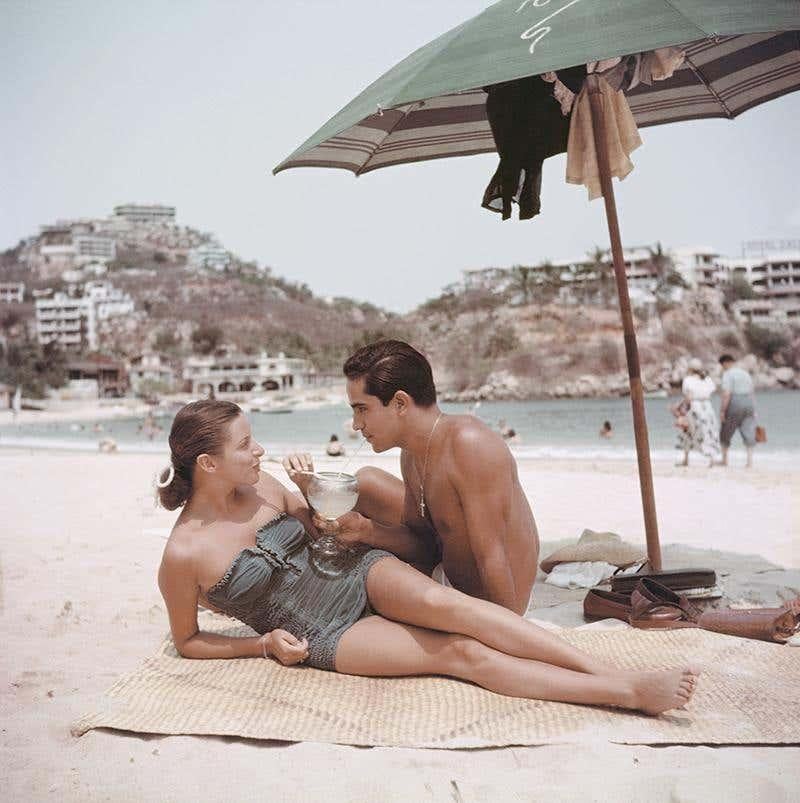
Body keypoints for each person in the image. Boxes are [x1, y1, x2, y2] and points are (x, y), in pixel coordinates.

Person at [156, 400, 699, 715]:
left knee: (461, 609)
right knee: (461, 654)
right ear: (207, 463)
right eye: (245, 444)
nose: (258, 451)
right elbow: (188, 641)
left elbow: (322, 530)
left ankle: (603, 667)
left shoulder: (266, 486)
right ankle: (623, 692)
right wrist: (261, 645)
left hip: (355, 573)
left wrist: (309, 489)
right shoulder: (181, 556)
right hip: (320, 630)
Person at [285, 340, 539, 616]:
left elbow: (493, 557)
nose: (357, 425)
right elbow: (425, 546)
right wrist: (364, 529)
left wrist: (509, 634)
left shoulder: (470, 444)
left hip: (492, 599)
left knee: (345, 589)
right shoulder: (412, 453)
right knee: (358, 484)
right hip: (446, 574)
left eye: (362, 409)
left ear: (400, 403)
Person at [674, 358, 721, 468]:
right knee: (709, 431)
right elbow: (711, 391)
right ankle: (712, 460)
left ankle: (686, 459)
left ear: (690, 369)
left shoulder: (688, 380)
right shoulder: (707, 379)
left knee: (688, 431)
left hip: (695, 407)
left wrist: (680, 407)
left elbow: (688, 397)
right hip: (707, 406)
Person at [718, 354, 757, 468]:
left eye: (722, 365)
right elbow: (752, 392)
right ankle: (749, 462)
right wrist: (754, 409)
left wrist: (722, 411)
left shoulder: (727, 374)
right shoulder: (745, 373)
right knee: (749, 430)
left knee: (726, 430)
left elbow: (726, 394)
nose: (722, 368)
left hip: (735, 401)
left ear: (725, 363)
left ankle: (724, 460)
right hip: (749, 402)